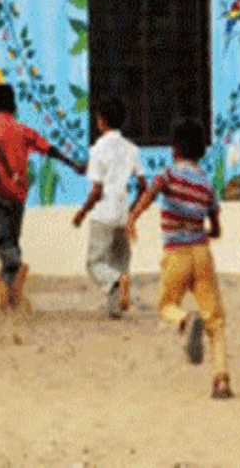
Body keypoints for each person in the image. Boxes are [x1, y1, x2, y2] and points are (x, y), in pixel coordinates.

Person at [127, 118, 233, 400]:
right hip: (201, 253)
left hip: (176, 253)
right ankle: (221, 380)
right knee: (215, 320)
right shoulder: (207, 184)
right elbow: (216, 229)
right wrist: (202, 230)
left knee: (166, 306)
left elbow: (151, 193)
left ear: (175, 148)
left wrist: (133, 217)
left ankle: (185, 319)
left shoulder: (169, 174)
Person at [0, 83, 83, 310]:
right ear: (13, 104)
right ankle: (13, 297)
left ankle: (16, 271)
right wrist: (73, 164)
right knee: (13, 240)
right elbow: (49, 149)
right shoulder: (23, 130)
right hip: (19, 194)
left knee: (2, 242)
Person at [73, 97, 145, 319]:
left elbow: (96, 190)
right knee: (119, 262)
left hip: (103, 214)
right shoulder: (132, 149)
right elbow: (143, 186)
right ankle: (115, 308)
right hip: (122, 212)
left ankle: (116, 283)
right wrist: (133, 212)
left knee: (95, 263)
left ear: (102, 121)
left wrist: (82, 212)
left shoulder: (97, 149)